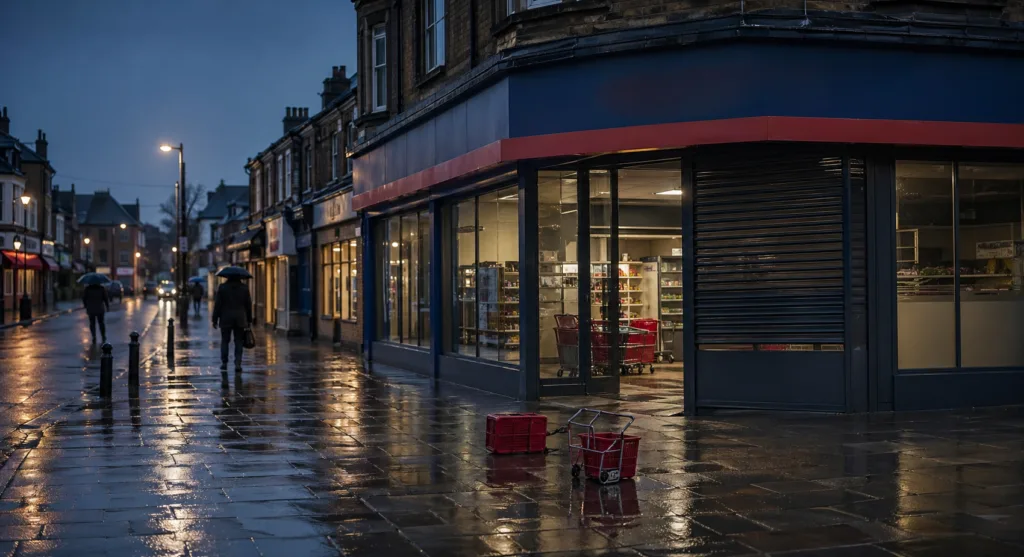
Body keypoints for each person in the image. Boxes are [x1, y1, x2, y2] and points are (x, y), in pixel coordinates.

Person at [212, 276, 253, 373]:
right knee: (238, 341)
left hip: (225, 318)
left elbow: (217, 304)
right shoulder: (244, 288)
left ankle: (224, 363)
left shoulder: (222, 288)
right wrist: (249, 319)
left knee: (225, 341)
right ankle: (238, 363)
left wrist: (214, 319)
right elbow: (248, 305)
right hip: (240, 318)